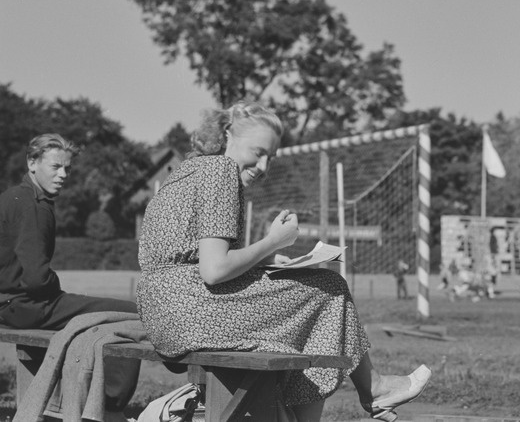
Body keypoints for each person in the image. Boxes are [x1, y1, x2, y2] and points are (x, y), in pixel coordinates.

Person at [136, 102, 430, 422]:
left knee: (311, 299)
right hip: (193, 308)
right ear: (227, 134)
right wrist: (273, 241)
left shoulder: (188, 170)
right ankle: (372, 388)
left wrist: (264, 261)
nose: (263, 165)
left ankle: (333, 400)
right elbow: (214, 270)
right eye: (258, 151)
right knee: (330, 288)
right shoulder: (221, 171)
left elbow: (195, 258)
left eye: (271, 157)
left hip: (162, 311)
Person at [0, 134, 141, 422]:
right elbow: (38, 279)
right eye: (55, 167)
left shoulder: (14, 196)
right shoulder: (32, 205)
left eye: (67, 168)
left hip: (11, 304)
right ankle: (109, 405)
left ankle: (71, 399)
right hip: (24, 306)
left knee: (99, 314)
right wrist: (54, 286)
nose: (63, 175)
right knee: (128, 314)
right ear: (32, 163)